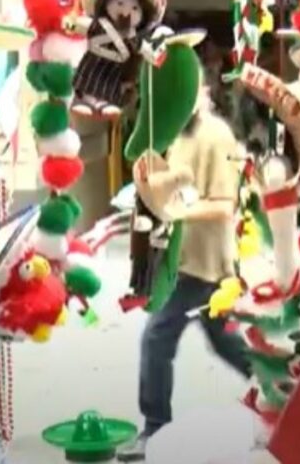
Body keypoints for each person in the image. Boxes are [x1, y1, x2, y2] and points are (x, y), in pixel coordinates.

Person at [118, 86, 252, 462]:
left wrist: (172, 213)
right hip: (187, 259)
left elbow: (224, 205)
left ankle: (155, 428)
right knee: (225, 342)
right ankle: (283, 393)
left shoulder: (217, 135)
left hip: (206, 265)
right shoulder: (177, 134)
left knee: (156, 339)